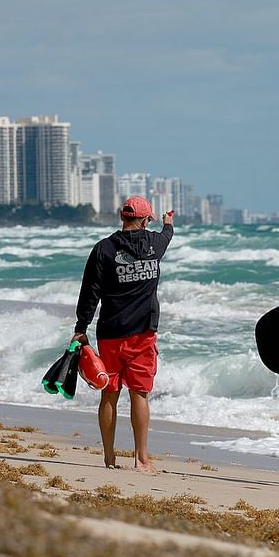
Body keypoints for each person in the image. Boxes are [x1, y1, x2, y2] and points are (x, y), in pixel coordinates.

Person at [72, 196, 174, 473]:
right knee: (139, 395)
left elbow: (90, 292)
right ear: (145, 220)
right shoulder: (155, 244)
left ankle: (109, 457)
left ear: (121, 217)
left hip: (110, 333)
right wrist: (168, 223)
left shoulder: (103, 248)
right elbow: (167, 235)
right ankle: (142, 459)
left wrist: (81, 328)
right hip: (143, 334)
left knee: (109, 395)